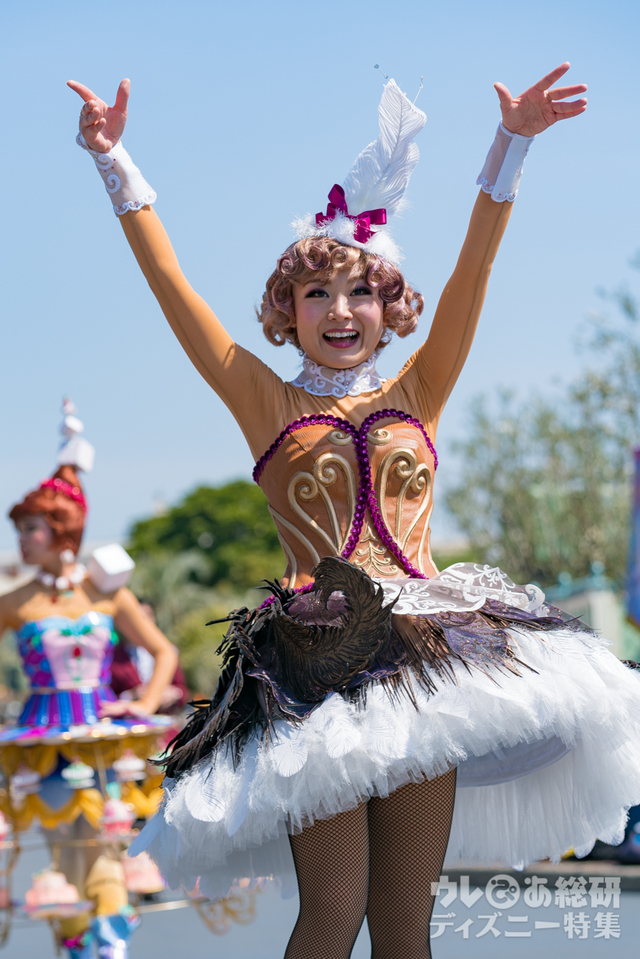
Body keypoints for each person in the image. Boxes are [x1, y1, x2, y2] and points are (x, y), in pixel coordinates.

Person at [68, 65, 640, 959]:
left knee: (406, 922)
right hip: (315, 671)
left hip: (424, 660)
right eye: (317, 294)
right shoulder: (264, 402)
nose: (341, 310)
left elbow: (473, 271)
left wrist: (512, 145)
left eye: (362, 291)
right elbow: (171, 285)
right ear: (286, 313)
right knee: (334, 911)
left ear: (388, 306)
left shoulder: (422, 388)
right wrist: (114, 162)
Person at [0, 401, 177, 958]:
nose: (22, 540)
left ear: (59, 530)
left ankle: (108, 948)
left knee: (107, 852)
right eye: (19, 530)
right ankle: (81, 948)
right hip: (44, 744)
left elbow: (162, 652)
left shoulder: (106, 591)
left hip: (106, 739)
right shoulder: (15, 601)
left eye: (29, 528)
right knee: (64, 860)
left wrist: (142, 701)